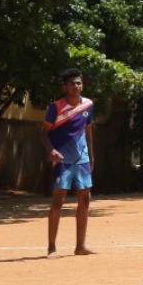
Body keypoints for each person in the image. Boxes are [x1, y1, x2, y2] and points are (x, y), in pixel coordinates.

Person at [43, 68, 95, 256]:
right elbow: (43, 133)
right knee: (58, 200)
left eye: (79, 83)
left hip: (82, 159)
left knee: (85, 200)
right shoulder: (55, 107)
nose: (76, 86)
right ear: (65, 86)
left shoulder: (88, 105)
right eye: (72, 83)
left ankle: (80, 246)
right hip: (63, 160)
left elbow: (88, 132)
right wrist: (52, 151)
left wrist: (92, 157)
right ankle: (52, 247)